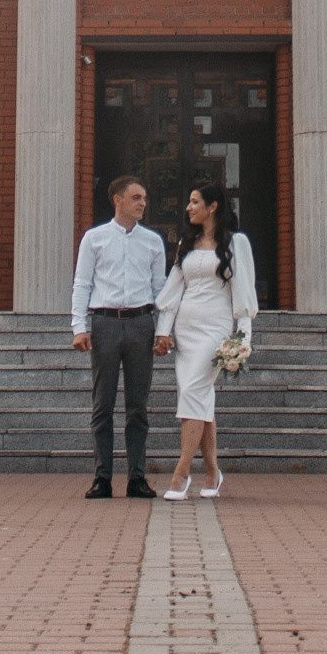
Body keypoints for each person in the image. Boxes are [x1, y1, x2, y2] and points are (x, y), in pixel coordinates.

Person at [153, 180, 258, 500]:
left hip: (215, 329)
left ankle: (181, 472)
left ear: (213, 206)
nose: (189, 207)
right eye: (189, 202)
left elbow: (244, 291)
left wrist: (243, 337)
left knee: (193, 393)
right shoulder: (187, 243)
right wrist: (163, 330)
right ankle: (213, 472)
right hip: (186, 330)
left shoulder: (236, 243)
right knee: (198, 398)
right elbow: (174, 290)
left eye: (195, 201)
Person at [70, 174, 171, 499]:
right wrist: (79, 326)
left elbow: (161, 290)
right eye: (136, 197)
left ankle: (136, 478)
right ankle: (102, 478)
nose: (142, 203)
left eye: (144, 198)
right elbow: (82, 283)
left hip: (141, 323)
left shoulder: (153, 241)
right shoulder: (94, 238)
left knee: (138, 406)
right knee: (103, 404)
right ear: (118, 200)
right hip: (105, 324)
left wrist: (164, 330)